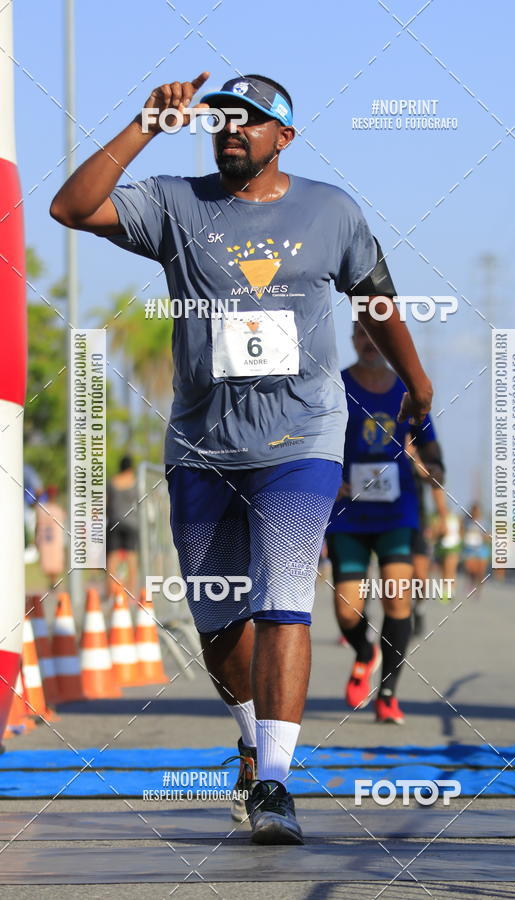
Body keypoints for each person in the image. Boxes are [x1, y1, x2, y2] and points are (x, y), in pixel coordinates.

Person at [50, 71, 432, 845]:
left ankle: (278, 785)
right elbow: (72, 206)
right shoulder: (173, 203)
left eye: (251, 121)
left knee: (282, 598)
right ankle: (250, 746)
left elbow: (376, 298)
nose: (233, 129)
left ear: (283, 137)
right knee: (221, 627)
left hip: (302, 440)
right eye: (222, 118)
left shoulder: (331, 210)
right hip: (202, 446)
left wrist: (417, 386)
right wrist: (145, 123)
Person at [326, 323, 443, 724]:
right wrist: (327, 477)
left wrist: (435, 468)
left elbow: (429, 442)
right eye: (360, 334)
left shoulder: (406, 390)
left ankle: (388, 694)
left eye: (377, 336)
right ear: (353, 339)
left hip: (397, 511)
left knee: (398, 598)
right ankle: (364, 651)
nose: (369, 343)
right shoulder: (335, 385)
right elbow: (313, 436)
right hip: (347, 513)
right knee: (347, 611)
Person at [404, 438, 449, 636]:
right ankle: (401, 617)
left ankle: (419, 610)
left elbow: (434, 482)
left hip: (417, 522)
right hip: (390, 522)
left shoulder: (418, 454)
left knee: (420, 577)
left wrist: (443, 516)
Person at [106, 455, 139, 599]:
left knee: (112, 556)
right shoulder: (135, 481)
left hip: (115, 521)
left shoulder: (112, 482)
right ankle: (131, 590)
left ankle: (111, 590)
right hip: (132, 523)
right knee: (131, 556)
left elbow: (107, 503)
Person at [34, 486, 66, 589]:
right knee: (49, 562)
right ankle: (52, 581)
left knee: (55, 562)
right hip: (48, 540)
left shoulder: (57, 508)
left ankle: (53, 581)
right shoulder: (45, 508)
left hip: (54, 540)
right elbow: (37, 523)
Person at [461, 502, 490, 590]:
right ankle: (472, 582)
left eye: (477, 511)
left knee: (481, 571)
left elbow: (488, 534)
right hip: (469, 548)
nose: (475, 513)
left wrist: (485, 537)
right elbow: (462, 532)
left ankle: (479, 587)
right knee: (471, 569)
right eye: (474, 511)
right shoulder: (466, 521)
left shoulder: (484, 522)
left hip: (481, 548)